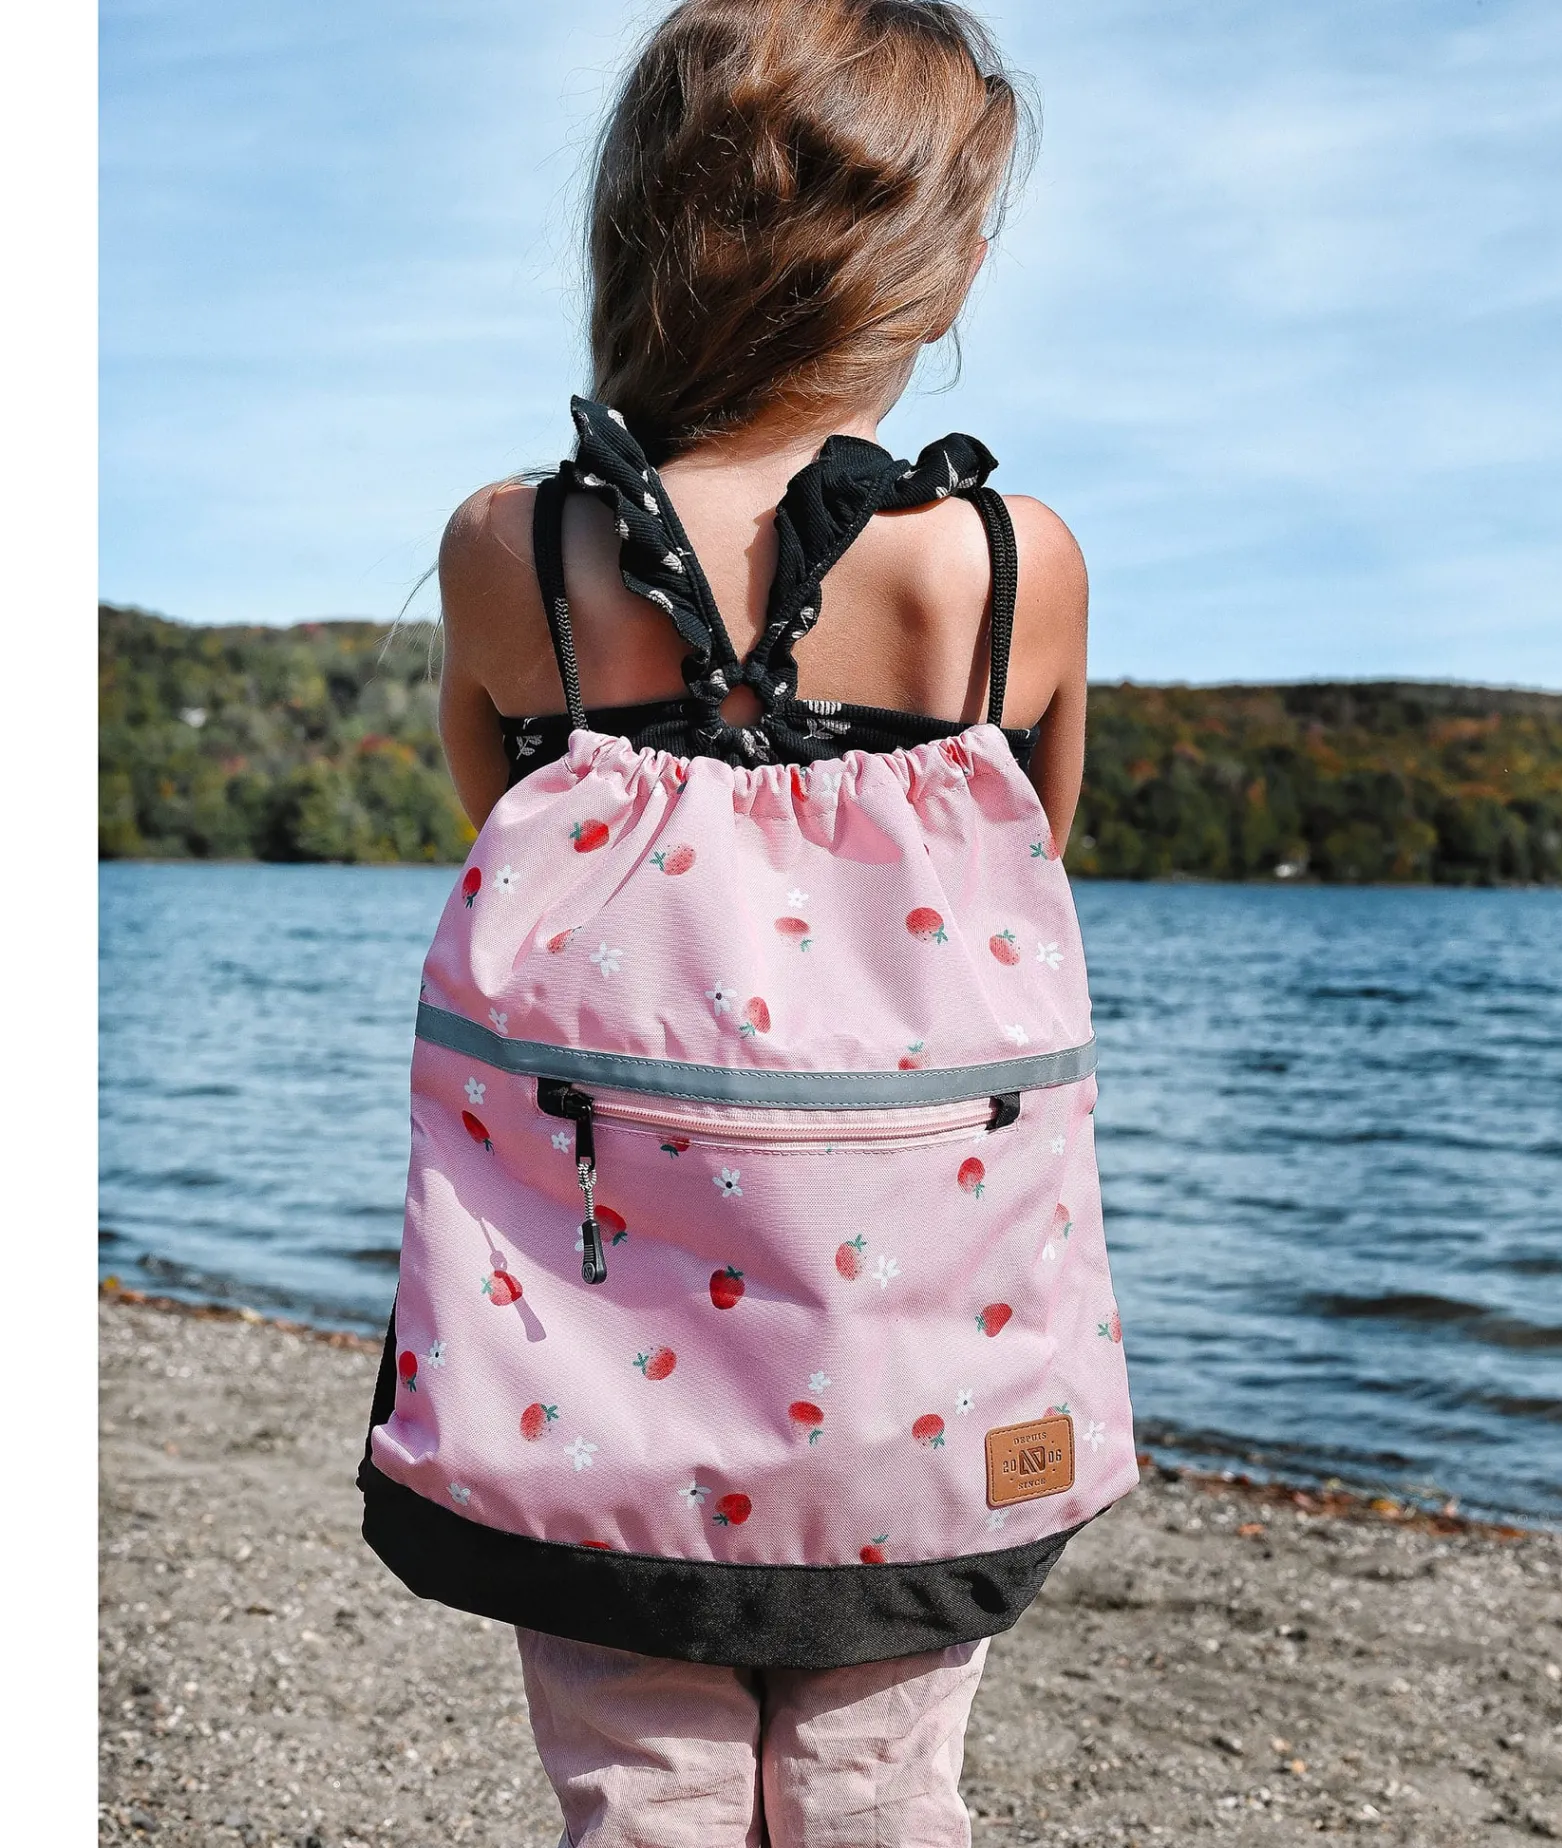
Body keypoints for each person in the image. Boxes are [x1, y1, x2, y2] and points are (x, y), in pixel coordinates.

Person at [383, 5, 1128, 1843]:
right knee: (882, 1775)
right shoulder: (1000, 564)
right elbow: (1032, 855)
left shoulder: (516, 550)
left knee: (640, 1777)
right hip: (919, 1324)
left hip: (592, 1314)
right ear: (942, 262)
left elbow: (507, 832)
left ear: (643, 226)